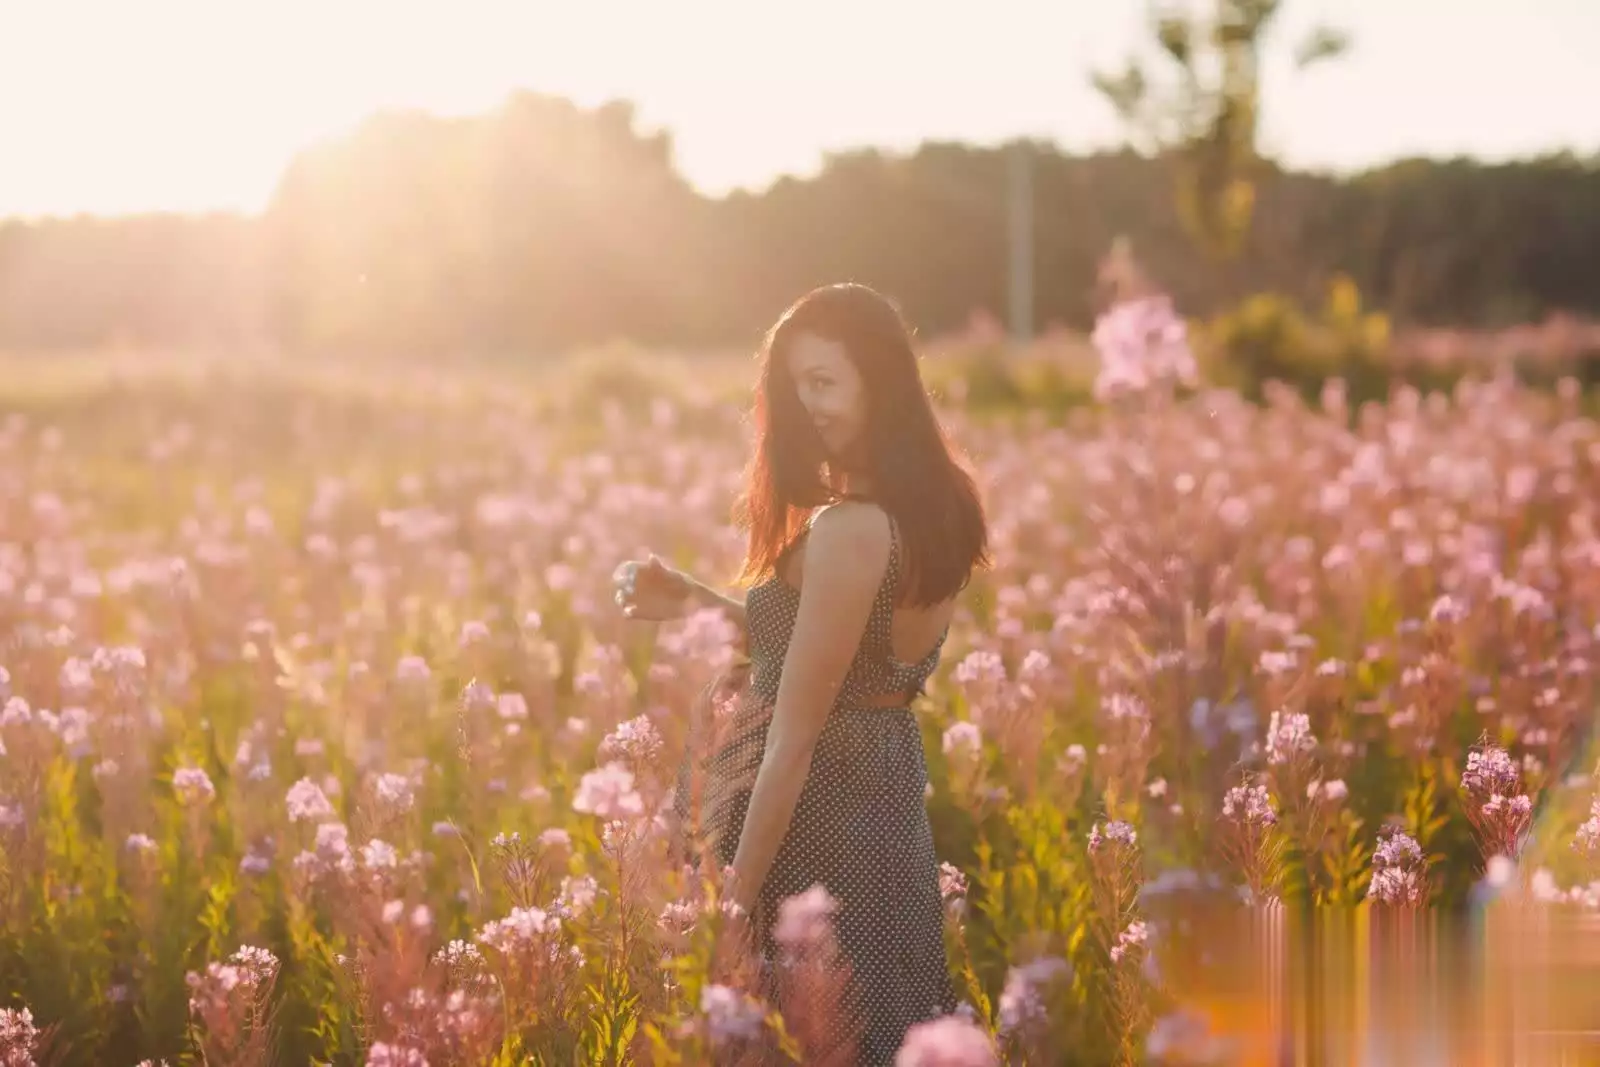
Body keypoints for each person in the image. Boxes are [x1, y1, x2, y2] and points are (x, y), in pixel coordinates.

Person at [613, 282, 989, 1063]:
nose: (804, 403)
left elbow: (794, 735)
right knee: (879, 1013)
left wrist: (733, 902)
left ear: (879, 381)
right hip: (881, 797)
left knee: (811, 1028)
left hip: (818, 814)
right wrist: (694, 600)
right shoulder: (932, 504)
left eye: (825, 380)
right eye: (793, 385)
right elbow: (842, 655)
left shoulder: (852, 529)